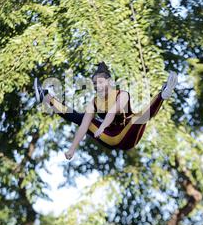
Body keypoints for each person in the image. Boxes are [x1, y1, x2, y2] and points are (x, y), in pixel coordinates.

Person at [34, 62, 178, 159]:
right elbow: (83, 126)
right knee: (82, 117)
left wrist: (102, 126)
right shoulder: (95, 102)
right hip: (110, 137)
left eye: (100, 82)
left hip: (128, 133)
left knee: (139, 116)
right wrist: (72, 148)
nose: (97, 86)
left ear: (109, 82)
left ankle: (162, 95)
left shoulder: (122, 94)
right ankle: (46, 98)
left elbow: (113, 111)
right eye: (95, 84)